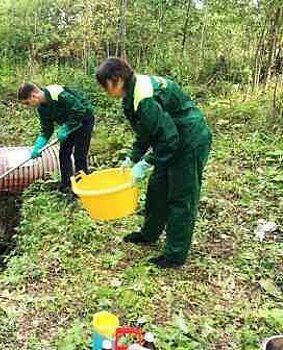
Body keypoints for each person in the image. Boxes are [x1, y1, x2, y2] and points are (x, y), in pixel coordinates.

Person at [95, 57, 212, 268]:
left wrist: (146, 162)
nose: (105, 90)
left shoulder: (144, 96)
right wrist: (133, 157)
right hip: (171, 136)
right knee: (157, 188)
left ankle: (175, 255)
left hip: (189, 139)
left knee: (181, 197)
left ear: (117, 79)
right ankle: (148, 234)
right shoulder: (132, 95)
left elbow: (169, 139)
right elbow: (146, 131)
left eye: (105, 85)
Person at [18, 83, 95, 193]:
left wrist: (66, 127)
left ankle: (82, 186)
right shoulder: (42, 109)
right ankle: (66, 185)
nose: (28, 106)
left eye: (27, 103)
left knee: (79, 154)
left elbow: (79, 110)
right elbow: (47, 129)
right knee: (63, 154)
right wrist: (38, 146)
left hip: (84, 120)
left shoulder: (56, 93)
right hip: (68, 126)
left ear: (33, 96)